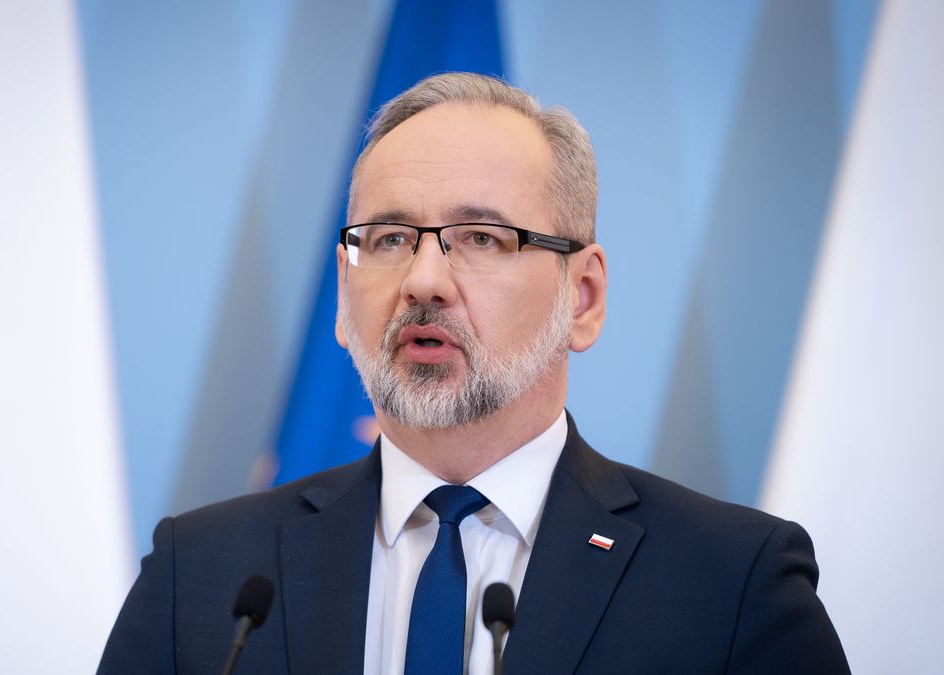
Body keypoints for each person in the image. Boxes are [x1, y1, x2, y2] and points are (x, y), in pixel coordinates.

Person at [98, 72, 848, 674]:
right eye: (388, 237)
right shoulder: (201, 580)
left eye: (481, 238)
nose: (424, 279)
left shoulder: (730, 582)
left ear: (581, 297)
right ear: (342, 292)